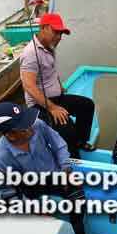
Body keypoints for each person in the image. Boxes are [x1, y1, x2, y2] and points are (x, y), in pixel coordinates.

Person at [0, 102, 86, 234]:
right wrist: (33, 209)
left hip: (54, 175)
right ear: (11, 135)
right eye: (24, 127)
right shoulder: (0, 158)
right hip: (27, 187)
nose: (31, 127)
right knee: (33, 223)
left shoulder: (37, 125)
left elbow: (59, 145)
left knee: (78, 200)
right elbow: (8, 193)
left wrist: (65, 170)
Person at [19, 13, 95, 159]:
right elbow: (28, 86)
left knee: (87, 106)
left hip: (55, 97)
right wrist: (52, 108)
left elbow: (51, 70)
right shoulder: (30, 53)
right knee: (67, 127)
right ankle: (73, 161)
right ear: (43, 28)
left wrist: (59, 85)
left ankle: (80, 141)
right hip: (40, 105)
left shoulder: (48, 47)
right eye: (55, 32)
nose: (58, 37)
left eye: (60, 33)